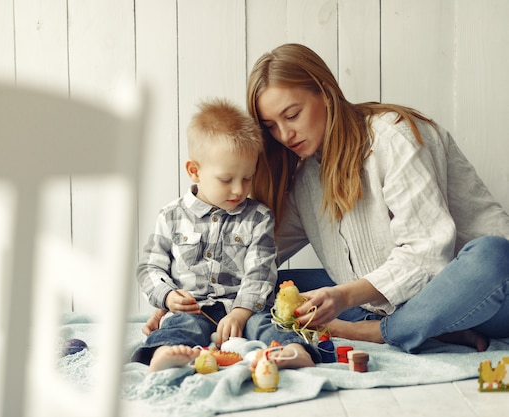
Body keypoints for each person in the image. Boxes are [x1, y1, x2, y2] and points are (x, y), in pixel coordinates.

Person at [245, 42, 509, 353]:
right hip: (403, 305)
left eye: (292, 115)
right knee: (265, 284)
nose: (285, 135)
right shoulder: (306, 178)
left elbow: (427, 255)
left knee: (493, 254)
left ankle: (378, 332)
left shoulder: (394, 137)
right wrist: (181, 289)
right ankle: (427, 329)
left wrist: (343, 297)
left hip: (487, 295)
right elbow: (261, 249)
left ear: (326, 93)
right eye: (271, 127)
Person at [132, 98, 320, 372]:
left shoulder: (258, 218)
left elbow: (261, 271)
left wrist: (241, 312)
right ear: (195, 171)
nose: (238, 190)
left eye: (247, 178)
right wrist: (167, 296)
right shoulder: (171, 216)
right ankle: (164, 353)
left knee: (265, 323)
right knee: (180, 324)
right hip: (193, 309)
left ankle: (294, 351)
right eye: (226, 179)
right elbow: (150, 266)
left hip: (244, 307)